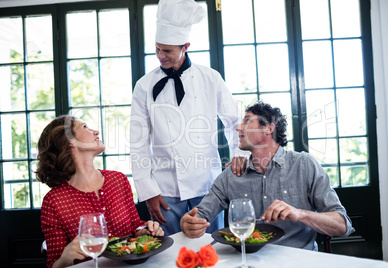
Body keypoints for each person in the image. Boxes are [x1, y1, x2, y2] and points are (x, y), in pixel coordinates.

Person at [130, 0, 246, 235]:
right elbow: (138, 141)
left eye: (168, 51)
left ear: (186, 46)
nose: (160, 56)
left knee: (212, 250)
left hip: (208, 186)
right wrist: (148, 191)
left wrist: (241, 155)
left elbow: (234, 121)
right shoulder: (144, 85)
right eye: (157, 49)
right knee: (170, 252)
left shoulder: (210, 78)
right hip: (165, 190)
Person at [180, 101, 355, 250]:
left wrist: (301, 214)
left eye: (247, 121)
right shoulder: (231, 175)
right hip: (247, 261)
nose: (238, 127)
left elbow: (342, 225)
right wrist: (188, 224)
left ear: (268, 128)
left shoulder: (304, 165)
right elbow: (199, 216)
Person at [36, 115, 164, 268]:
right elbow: (53, 264)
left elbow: (135, 226)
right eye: (85, 127)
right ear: (70, 142)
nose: (95, 131)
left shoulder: (118, 180)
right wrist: (65, 257)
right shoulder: (54, 201)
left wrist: (146, 231)